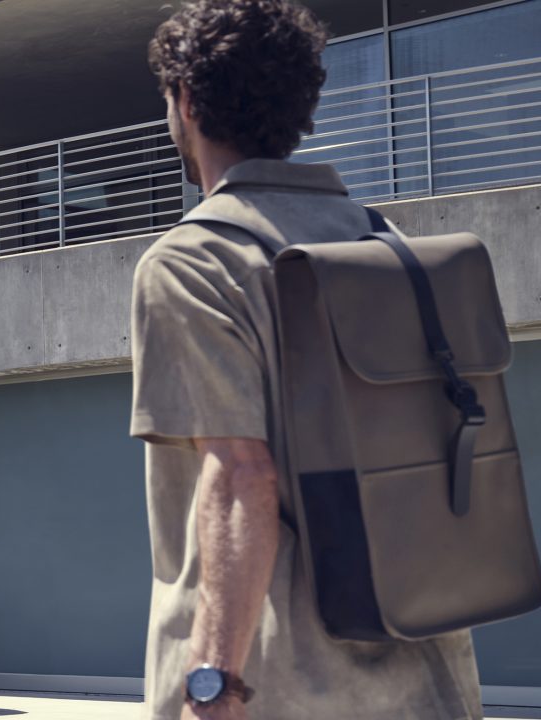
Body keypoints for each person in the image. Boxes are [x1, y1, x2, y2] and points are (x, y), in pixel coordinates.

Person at [131, 2, 484, 719]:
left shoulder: (193, 263)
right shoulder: (387, 245)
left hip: (279, 688)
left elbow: (241, 475)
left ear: (186, 101)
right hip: (425, 678)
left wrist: (212, 684)